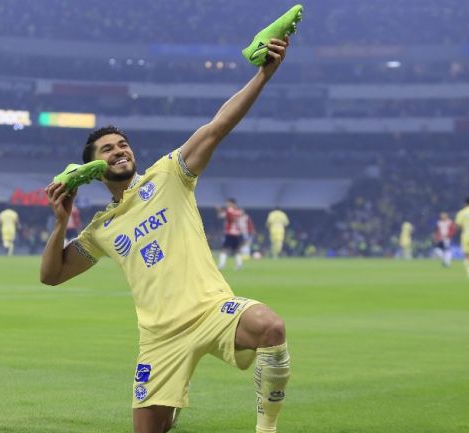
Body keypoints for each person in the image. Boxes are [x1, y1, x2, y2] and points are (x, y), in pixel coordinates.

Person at [41, 36, 292, 433]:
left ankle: (266, 429)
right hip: (160, 338)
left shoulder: (169, 175)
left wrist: (264, 74)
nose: (119, 150)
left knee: (271, 327)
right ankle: (169, 406)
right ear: (91, 168)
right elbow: (51, 275)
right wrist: (60, 225)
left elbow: (217, 127)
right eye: (107, 149)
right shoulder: (101, 229)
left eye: (123, 144)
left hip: (212, 310)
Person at [217, 198, 246, 270]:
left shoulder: (229, 210)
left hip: (230, 233)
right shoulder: (239, 211)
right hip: (237, 233)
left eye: (228, 203)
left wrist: (219, 210)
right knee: (236, 249)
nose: (227, 205)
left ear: (233, 204)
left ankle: (221, 264)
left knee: (224, 248)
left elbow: (221, 216)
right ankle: (239, 265)